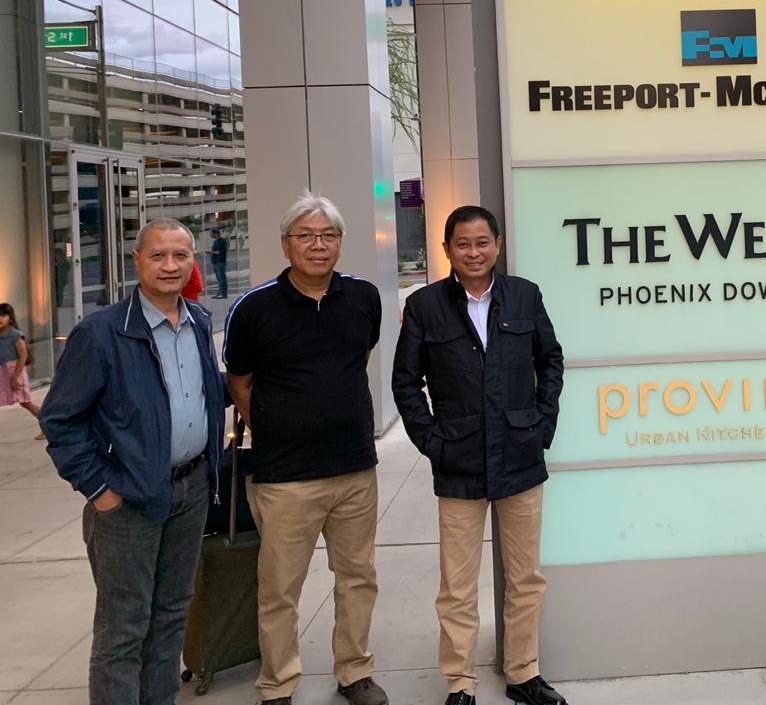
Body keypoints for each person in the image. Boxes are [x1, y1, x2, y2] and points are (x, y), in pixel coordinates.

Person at [40, 219, 225, 705]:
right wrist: (100, 490)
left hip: (191, 490)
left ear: (193, 262)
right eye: (158, 255)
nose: (170, 266)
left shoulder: (198, 322)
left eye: (180, 255)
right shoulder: (101, 333)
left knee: (171, 618)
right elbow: (60, 421)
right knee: (123, 630)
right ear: (137, 260)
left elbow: (201, 396)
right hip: (127, 501)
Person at [392, 205, 567, 705]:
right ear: (447, 249)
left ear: (498, 245)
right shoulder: (425, 306)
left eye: (482, 242)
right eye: (463, 244)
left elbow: (550, 360)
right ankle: (460, 681)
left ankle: (523, 674)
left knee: (526, 577)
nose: (474, 252)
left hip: (520, 456)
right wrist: (433, 442)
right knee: (457, 585)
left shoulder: (524, 295)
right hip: (459, 461)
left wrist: (541, 425)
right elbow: (405, 382)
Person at [224, 192, 387, 705]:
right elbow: (239, 382)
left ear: (340, 243)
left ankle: (354, 672)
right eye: (306, 236)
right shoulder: (254, 309)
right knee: (280, 589)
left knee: (358, 578)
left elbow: (358, 358)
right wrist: (275, 428)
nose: (318, 245)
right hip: (285, 476)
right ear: (285, 244)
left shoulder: (364, 298)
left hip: (355, 469)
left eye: (328, 235)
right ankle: (278, 683)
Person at [0, 302, 43, 435]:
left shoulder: (15, 335)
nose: (0, 319)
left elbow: (23, 356)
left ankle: (49, 425)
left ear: (10, 318)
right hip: (2, 372)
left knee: (26, 402)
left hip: (15, 371)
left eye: (3, 316)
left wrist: (15, 377)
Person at [210, 228, 229, 299]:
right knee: (219, 278)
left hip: (220, 261)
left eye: (211, 233)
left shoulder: (221, 241)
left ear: (215, 233)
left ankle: (223, 293)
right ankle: (220, 292)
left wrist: (210, 252)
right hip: (215, 262)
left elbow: (219, 252)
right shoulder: (215, 241)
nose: (210, 235)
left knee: (222, 278)